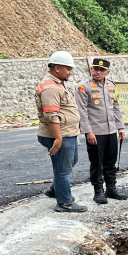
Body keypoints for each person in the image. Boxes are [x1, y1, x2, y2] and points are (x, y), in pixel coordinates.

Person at [36, 51, 86, 213]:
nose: (70, 72)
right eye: (68, 69)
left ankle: (55, 189)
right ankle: (64, 202)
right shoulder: (50, 88)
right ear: (57, 68)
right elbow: (51, 116)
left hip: (67, 133)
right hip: (60, 134)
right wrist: (58, 138)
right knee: (63, 169)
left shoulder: (59, 83)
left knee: (69, 162)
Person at [76, 57, 128, 204]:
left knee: (110, 162)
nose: (98, 72)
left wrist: (120, 127)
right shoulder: (83, 87)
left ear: (107, 72)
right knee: (97, 163)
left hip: (111, 130)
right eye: (95, 69)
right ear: (91, 69)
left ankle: (111, 188)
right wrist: (88, 131)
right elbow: (82, 111)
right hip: (95, 132)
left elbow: (115, 107)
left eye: (101, 70)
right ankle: (98, 191)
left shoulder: (111, 86)